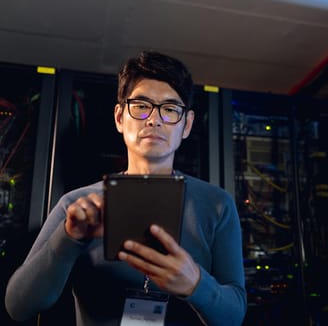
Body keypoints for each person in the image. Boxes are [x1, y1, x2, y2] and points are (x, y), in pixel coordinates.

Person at [4, 50, 247, 325]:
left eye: (169, 109)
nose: (154, 120)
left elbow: (234, 315)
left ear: (186, 124)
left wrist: (196, 284)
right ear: (120, 117)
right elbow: (19, 306)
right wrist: (68, 237)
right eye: (142, 105)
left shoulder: (217, 205)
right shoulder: (77, 206)